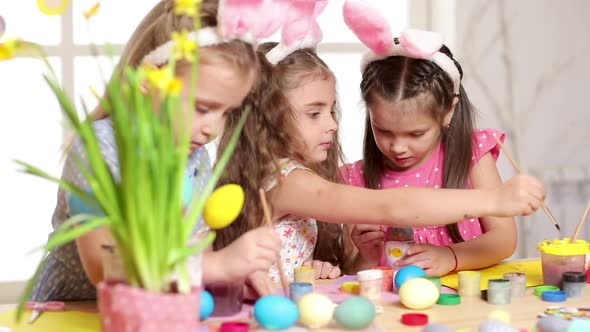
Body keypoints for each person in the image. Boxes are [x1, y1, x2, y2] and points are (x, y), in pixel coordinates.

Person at [214, 12, 546, 291]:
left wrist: (311, 269)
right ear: (266, 119)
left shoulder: (287, 177)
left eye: (331, 110)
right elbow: (393, 206)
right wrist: (495, 200)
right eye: (314, 113)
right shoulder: (287, 182)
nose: (332, 124)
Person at [31, 0, 282, 301]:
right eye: (202, 108)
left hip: (154, 307)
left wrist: (228, 279)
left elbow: (195, 249)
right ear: (149, 80)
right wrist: (215, 266)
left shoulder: (195, 159)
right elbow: (101, 264)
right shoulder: (101, 148)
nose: (213, 129)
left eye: (226, 113)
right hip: (74, 309)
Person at [342, 0, 522, 276]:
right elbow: (352, 272)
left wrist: (450, 256)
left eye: (416, 133)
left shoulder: (472, 155)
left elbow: (504, 239)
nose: (398, 147)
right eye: (384, 130)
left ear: (449, 110)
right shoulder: (356, 179)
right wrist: (365, 257)